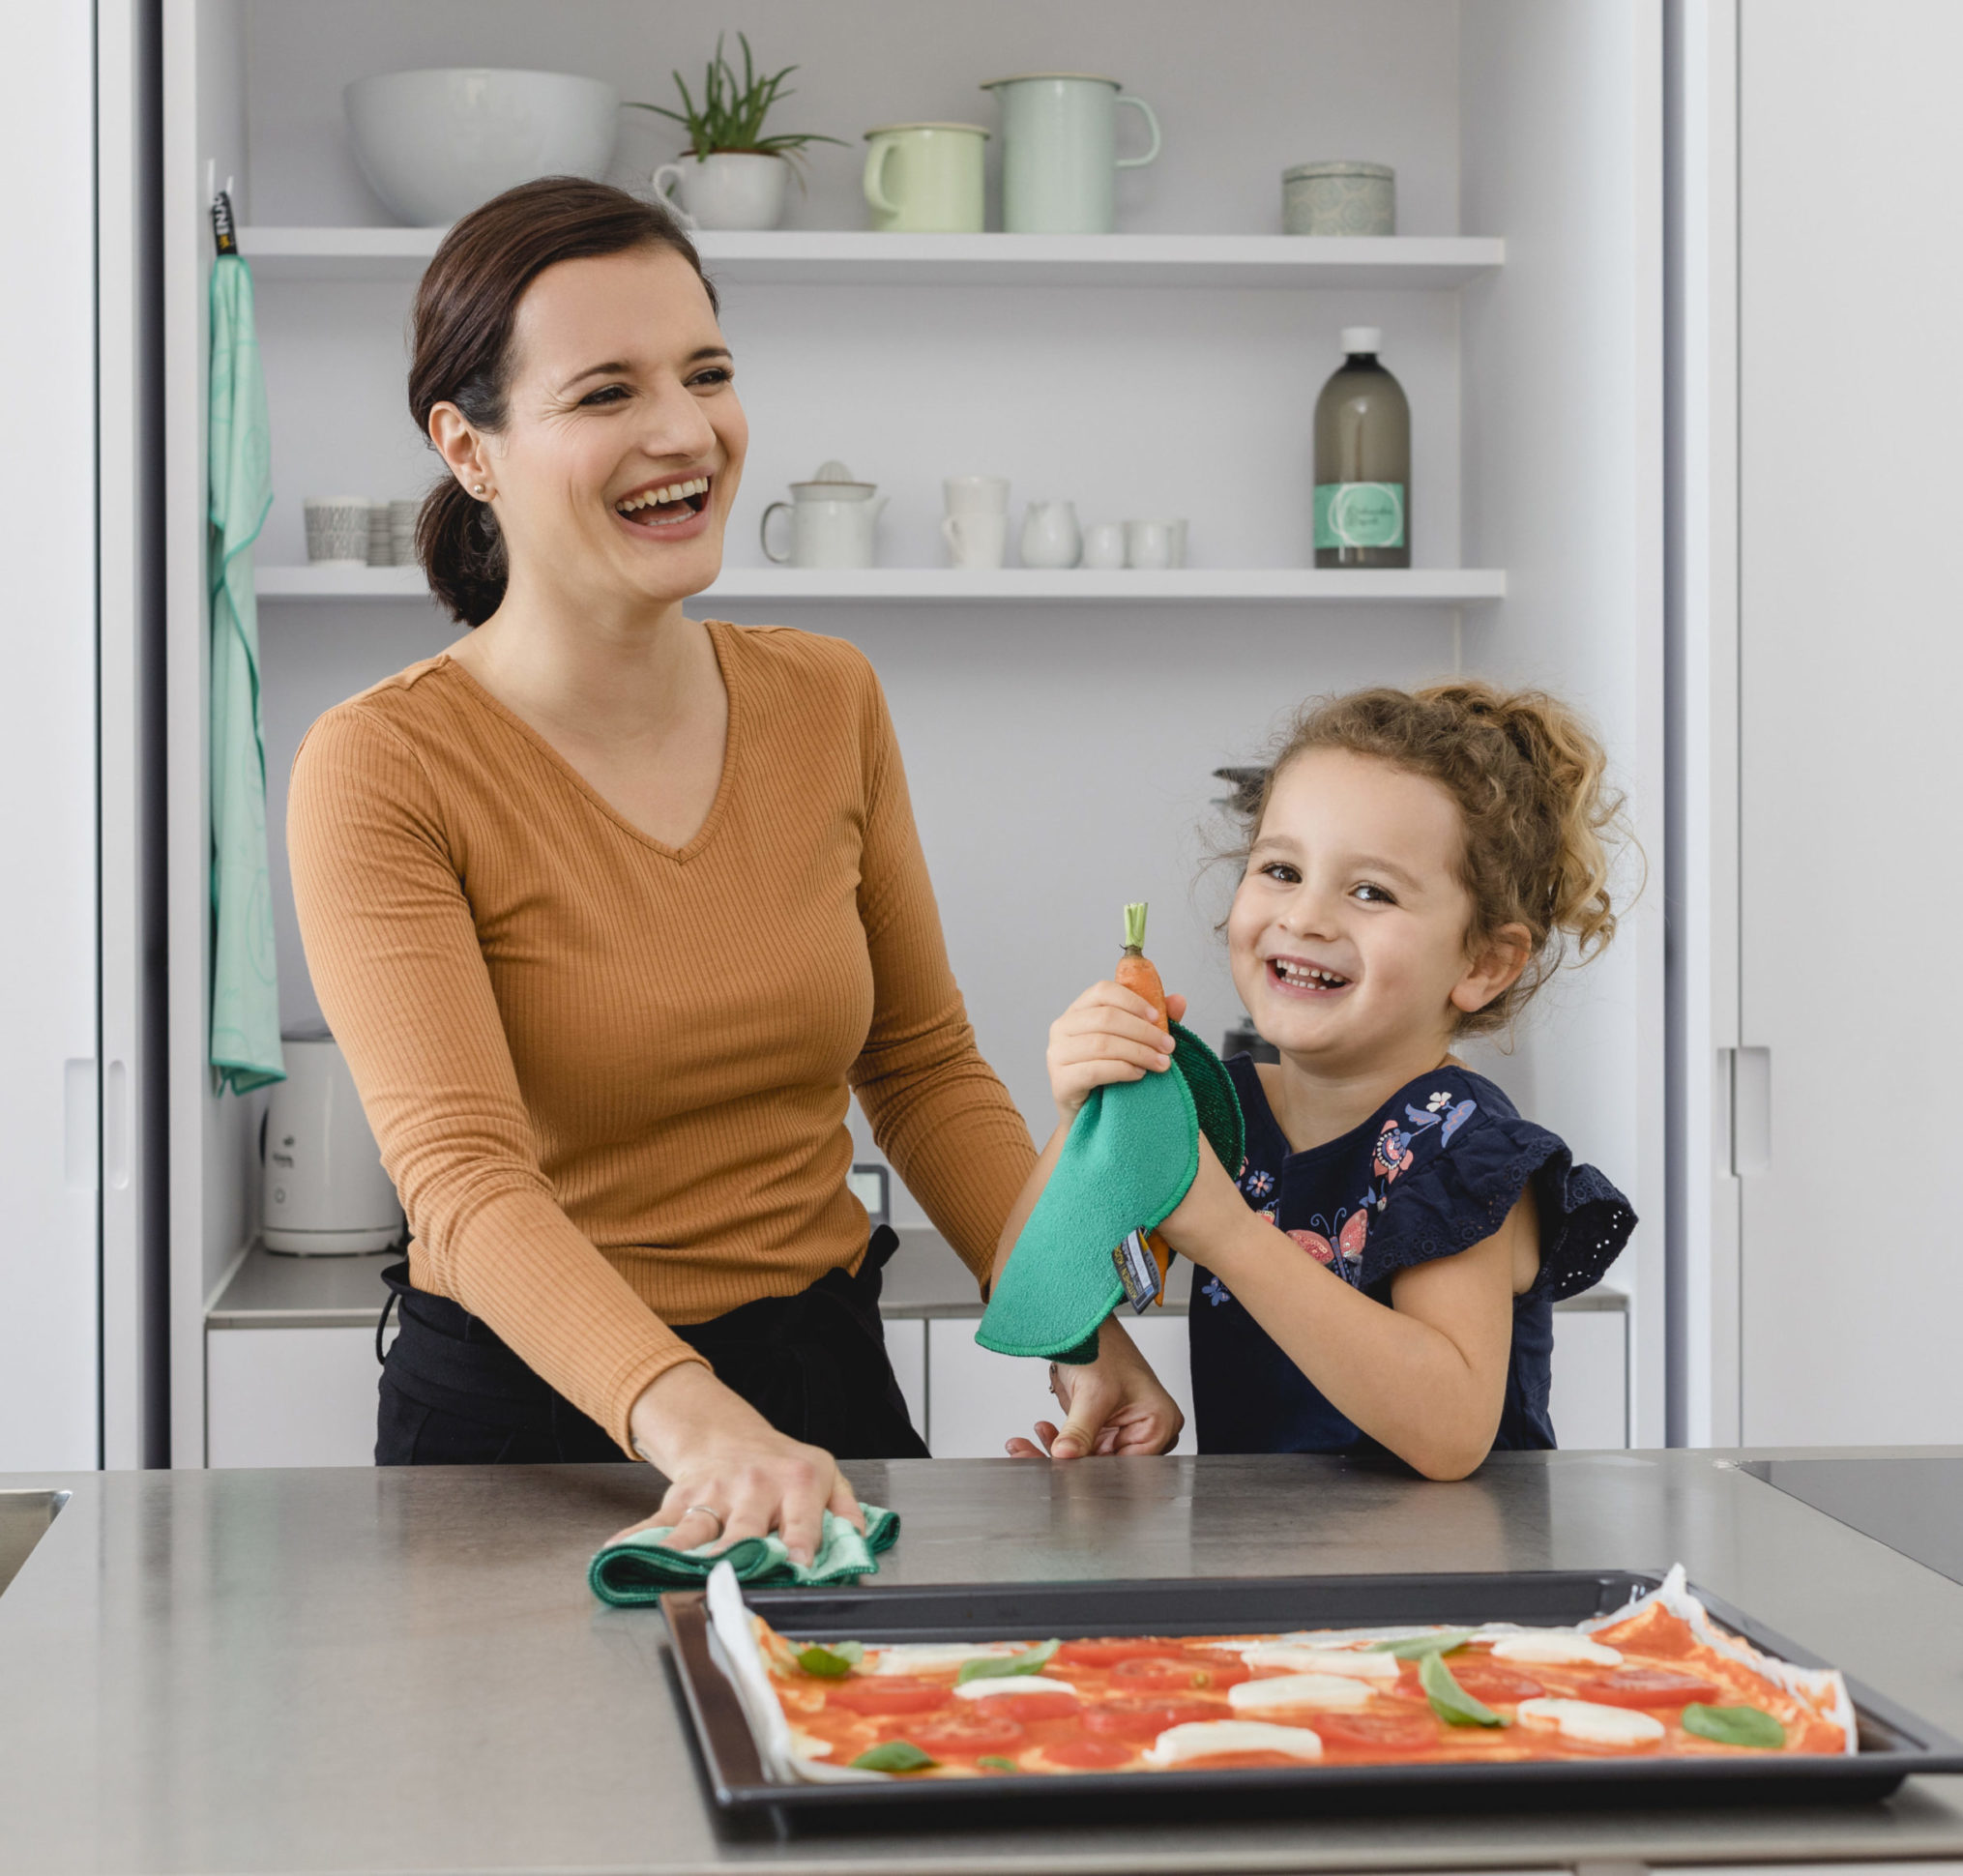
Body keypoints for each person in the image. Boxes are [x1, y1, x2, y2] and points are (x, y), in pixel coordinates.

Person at [287, 177, 1184, 1556]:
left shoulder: (825, 698)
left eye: (706, 373)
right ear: (469, 448)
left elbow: (922, 1063)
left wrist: (1070, 1315)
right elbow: (464, 1182)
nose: (683, 430)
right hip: (534, 1424)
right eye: (604, 394)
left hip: (819, 1378)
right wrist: (687, 1415)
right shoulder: (386, 767)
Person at [998, 682, 1638, 1479]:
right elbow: (1023, 1275)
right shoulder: (1216, 1108)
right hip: (1260, 1576)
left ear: (1483, 964)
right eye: (1280, 869)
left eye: (1370, 890)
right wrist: (1083, 1121)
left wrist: (1229, 1236)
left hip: (1453, 1591)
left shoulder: (1461, 1147)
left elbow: (1449, 1430)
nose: (1304, 917)